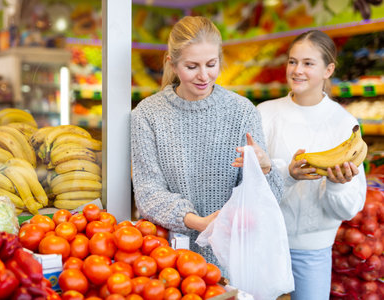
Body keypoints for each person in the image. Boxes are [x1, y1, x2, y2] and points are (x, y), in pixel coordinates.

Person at [130, 15, 284, 275]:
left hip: (232, 257)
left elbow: (270, 199)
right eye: (192, 66)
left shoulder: (243, 112)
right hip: (167, 261)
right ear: (172, 63)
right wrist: (197, 222)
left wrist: (265, 171)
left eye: (211, 64)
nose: (204, 76)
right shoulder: (147, 114)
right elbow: (147, 192)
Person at [257, 30, 367, 300]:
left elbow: (352, 207)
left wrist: (338, 186)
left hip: (313, 250)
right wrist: (287, 175)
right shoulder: (264, 114)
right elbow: (245, 185)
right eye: (292, 62)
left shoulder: (344, 124)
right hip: (263, 244)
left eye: (308, 63)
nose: (297, 70)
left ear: (329, 69)